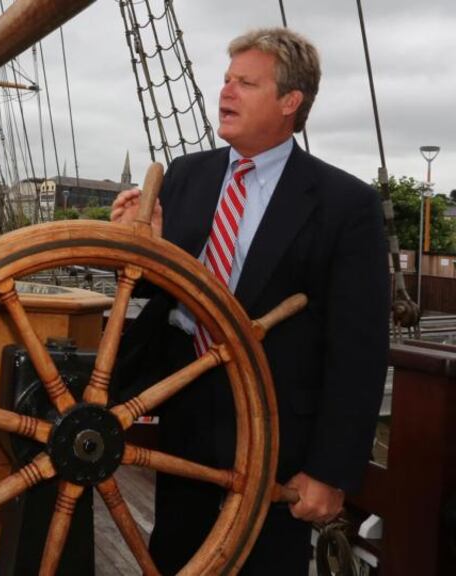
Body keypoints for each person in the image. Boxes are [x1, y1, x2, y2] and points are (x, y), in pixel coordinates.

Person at [110, 28, 388, 574]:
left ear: (290, 102)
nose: (225, 92)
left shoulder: (345, 205)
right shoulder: (185, 176)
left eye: (246, 83)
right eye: (226, 80)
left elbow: (358, 351)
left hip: (279, 438)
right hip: (185, 418)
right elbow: (152, 293)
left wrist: (330, 472)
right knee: (173, 557)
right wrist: (141, 249)